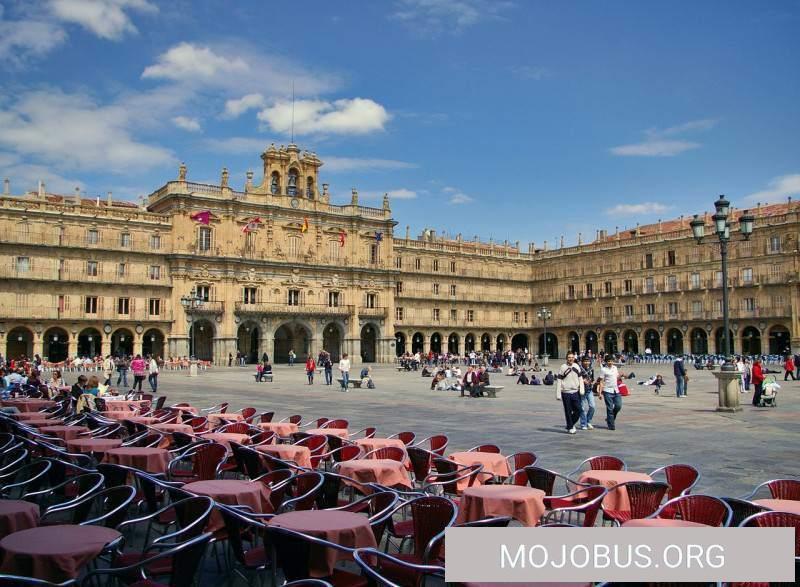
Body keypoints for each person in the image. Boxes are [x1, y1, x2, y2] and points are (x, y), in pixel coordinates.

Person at [555, 352, 584, 434]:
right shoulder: (563, 367)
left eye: (572, 357)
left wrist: (582, 390)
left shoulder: (576, 366)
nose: (571, 359)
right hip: (566, 392)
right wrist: (558, 394)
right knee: (568, 411)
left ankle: (570, 424)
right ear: (566, 358)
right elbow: (559, 380)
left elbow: (580, 379)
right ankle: (570, 427)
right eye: (569, 357)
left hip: (575, 391)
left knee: (579, 410)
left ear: (574, 358)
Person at [600, 355, 624, 430]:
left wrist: (621, 375)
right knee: (610, 408)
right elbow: (601, 381)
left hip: (616, 390)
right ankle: (611, 425)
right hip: (607, 390)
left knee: (618, 406)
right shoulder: (603, 369)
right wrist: (600, 393)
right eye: (608, 361)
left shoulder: (615, 368)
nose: (610, 362)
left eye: (611, 361)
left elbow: (616, 377)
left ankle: (609, 418)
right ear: (606, 362)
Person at [578, 356, 596, 430]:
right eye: (585, 361)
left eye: (588, 361)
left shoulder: (591, 369)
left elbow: (593, 379)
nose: (586, 362)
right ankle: (583, 423)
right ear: (582, 362)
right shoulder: (579, 369)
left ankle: (588, 421)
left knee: (592, 406)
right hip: (582, 390)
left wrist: (592, 382)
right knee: (582, 408)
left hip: (589, 390)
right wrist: (582, 381)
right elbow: (576, 379)